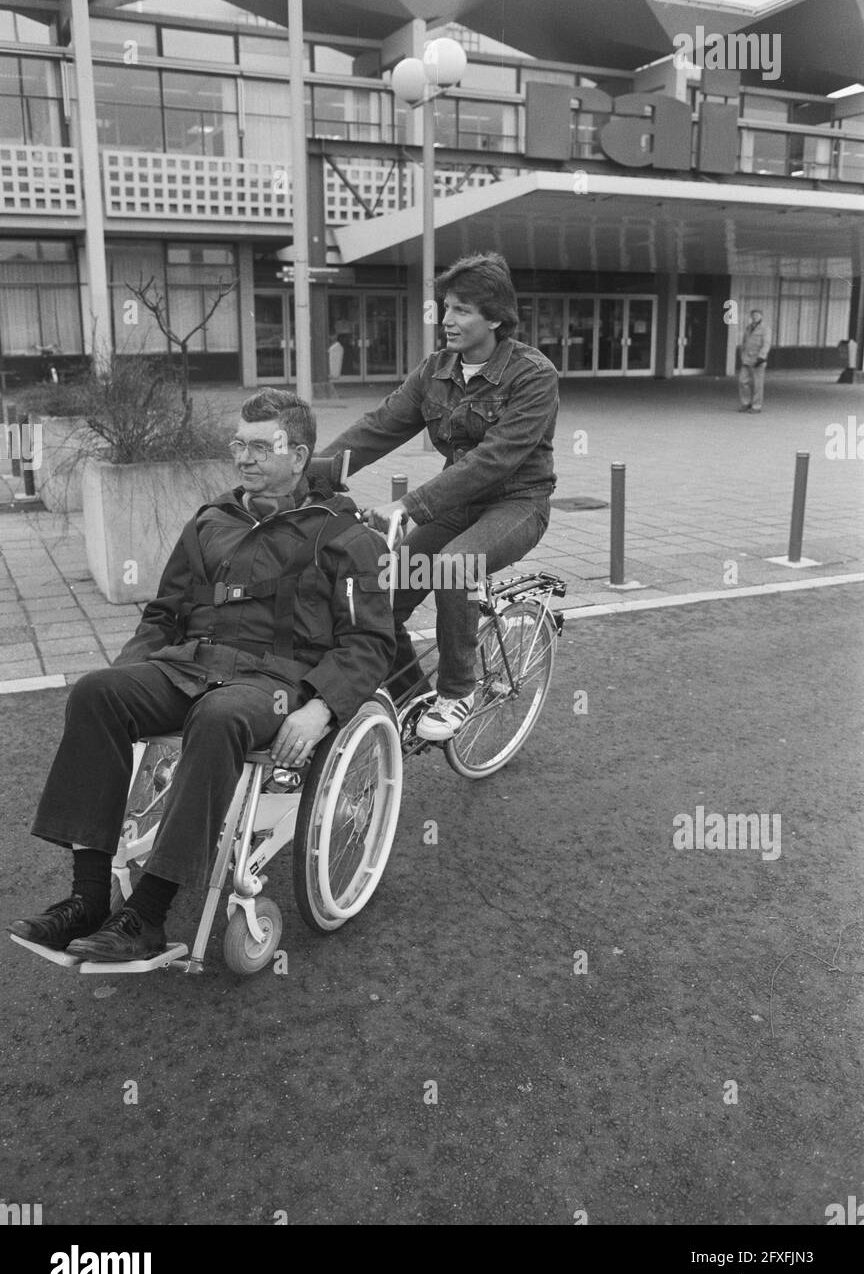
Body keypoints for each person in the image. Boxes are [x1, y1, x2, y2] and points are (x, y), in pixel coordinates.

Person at [9, 390, 395, 964]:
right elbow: (163, 614)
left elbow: (370, 642)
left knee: (218, 718)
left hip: (278, 683)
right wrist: (130, 681)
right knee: (97, 693)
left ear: (300, 455)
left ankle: (147, 916)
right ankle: (88, 899)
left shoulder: (345, 536)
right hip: (192, 665)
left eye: (262, 446)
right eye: (239, 444)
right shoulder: (211, 520)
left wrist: (322, 708)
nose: (245, 457)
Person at [321, 252, 559, 741]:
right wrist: (306, 475)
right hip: (456, 507)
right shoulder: (434, 371)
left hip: (517, 503)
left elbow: (495, 459)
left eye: (462, 310)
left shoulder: (534, 375)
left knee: (455, 565)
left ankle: (458, 692)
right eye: (446, 307)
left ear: (495, 317)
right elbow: (378, 428)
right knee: (380, 595)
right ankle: (410, 697)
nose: (446, 320)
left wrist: (409, 505)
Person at [738, 308, 771, 412]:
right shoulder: (748, 328)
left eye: (757, 315)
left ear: (761, 316)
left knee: (758, 384)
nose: (755, 317)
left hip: (758, 360)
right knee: (742, 381)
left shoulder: (765, 329)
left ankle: (756, 406)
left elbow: (766, 344)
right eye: (753, 315)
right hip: (746, 359)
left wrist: (762, 357)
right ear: (751, 317)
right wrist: (742, 355)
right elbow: (744, 342)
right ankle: (745, 403)